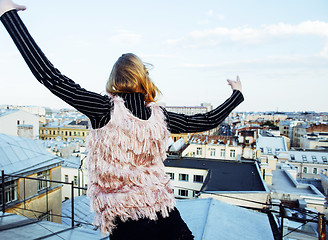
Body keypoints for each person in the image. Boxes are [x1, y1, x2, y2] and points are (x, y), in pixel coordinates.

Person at [0, 1, 244, 239]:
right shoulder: (160, 117)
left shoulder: (104, 109)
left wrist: (9, 16)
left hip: (124, 213)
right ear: (143, 78)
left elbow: (51, 77)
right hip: (162, 206)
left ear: (114, 79)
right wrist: (236, 95)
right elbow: (207, 120)